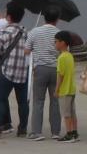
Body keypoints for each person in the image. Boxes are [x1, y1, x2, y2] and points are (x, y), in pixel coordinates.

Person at [0, 2, 30, 139]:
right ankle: (23, 128)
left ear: (9, 16)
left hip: (7, 71)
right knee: (22, 102)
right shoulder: (26, 32)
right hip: (23, 71)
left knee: (0, 99)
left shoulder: (4, 32)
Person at [24, 9, 62, 141]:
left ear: (44, 18)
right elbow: (64, 52)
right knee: (55, 101)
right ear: (57, 19)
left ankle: (36, 132)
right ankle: (56, 132)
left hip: (40, 69)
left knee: (38, 101)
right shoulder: (59, 33)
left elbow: (27, 50)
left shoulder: (35, 31)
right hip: (56, 69)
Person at [51, 30, 77, 141]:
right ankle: (75, 132)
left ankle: (69, 133)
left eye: (56, 41)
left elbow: (60, 76)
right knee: (72, 112)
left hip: (64, 90)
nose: (55, 44)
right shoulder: (70, 56)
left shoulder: (61, 58)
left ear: (63, 42)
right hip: (71, 88)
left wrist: (56, 90)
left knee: (66, 114)